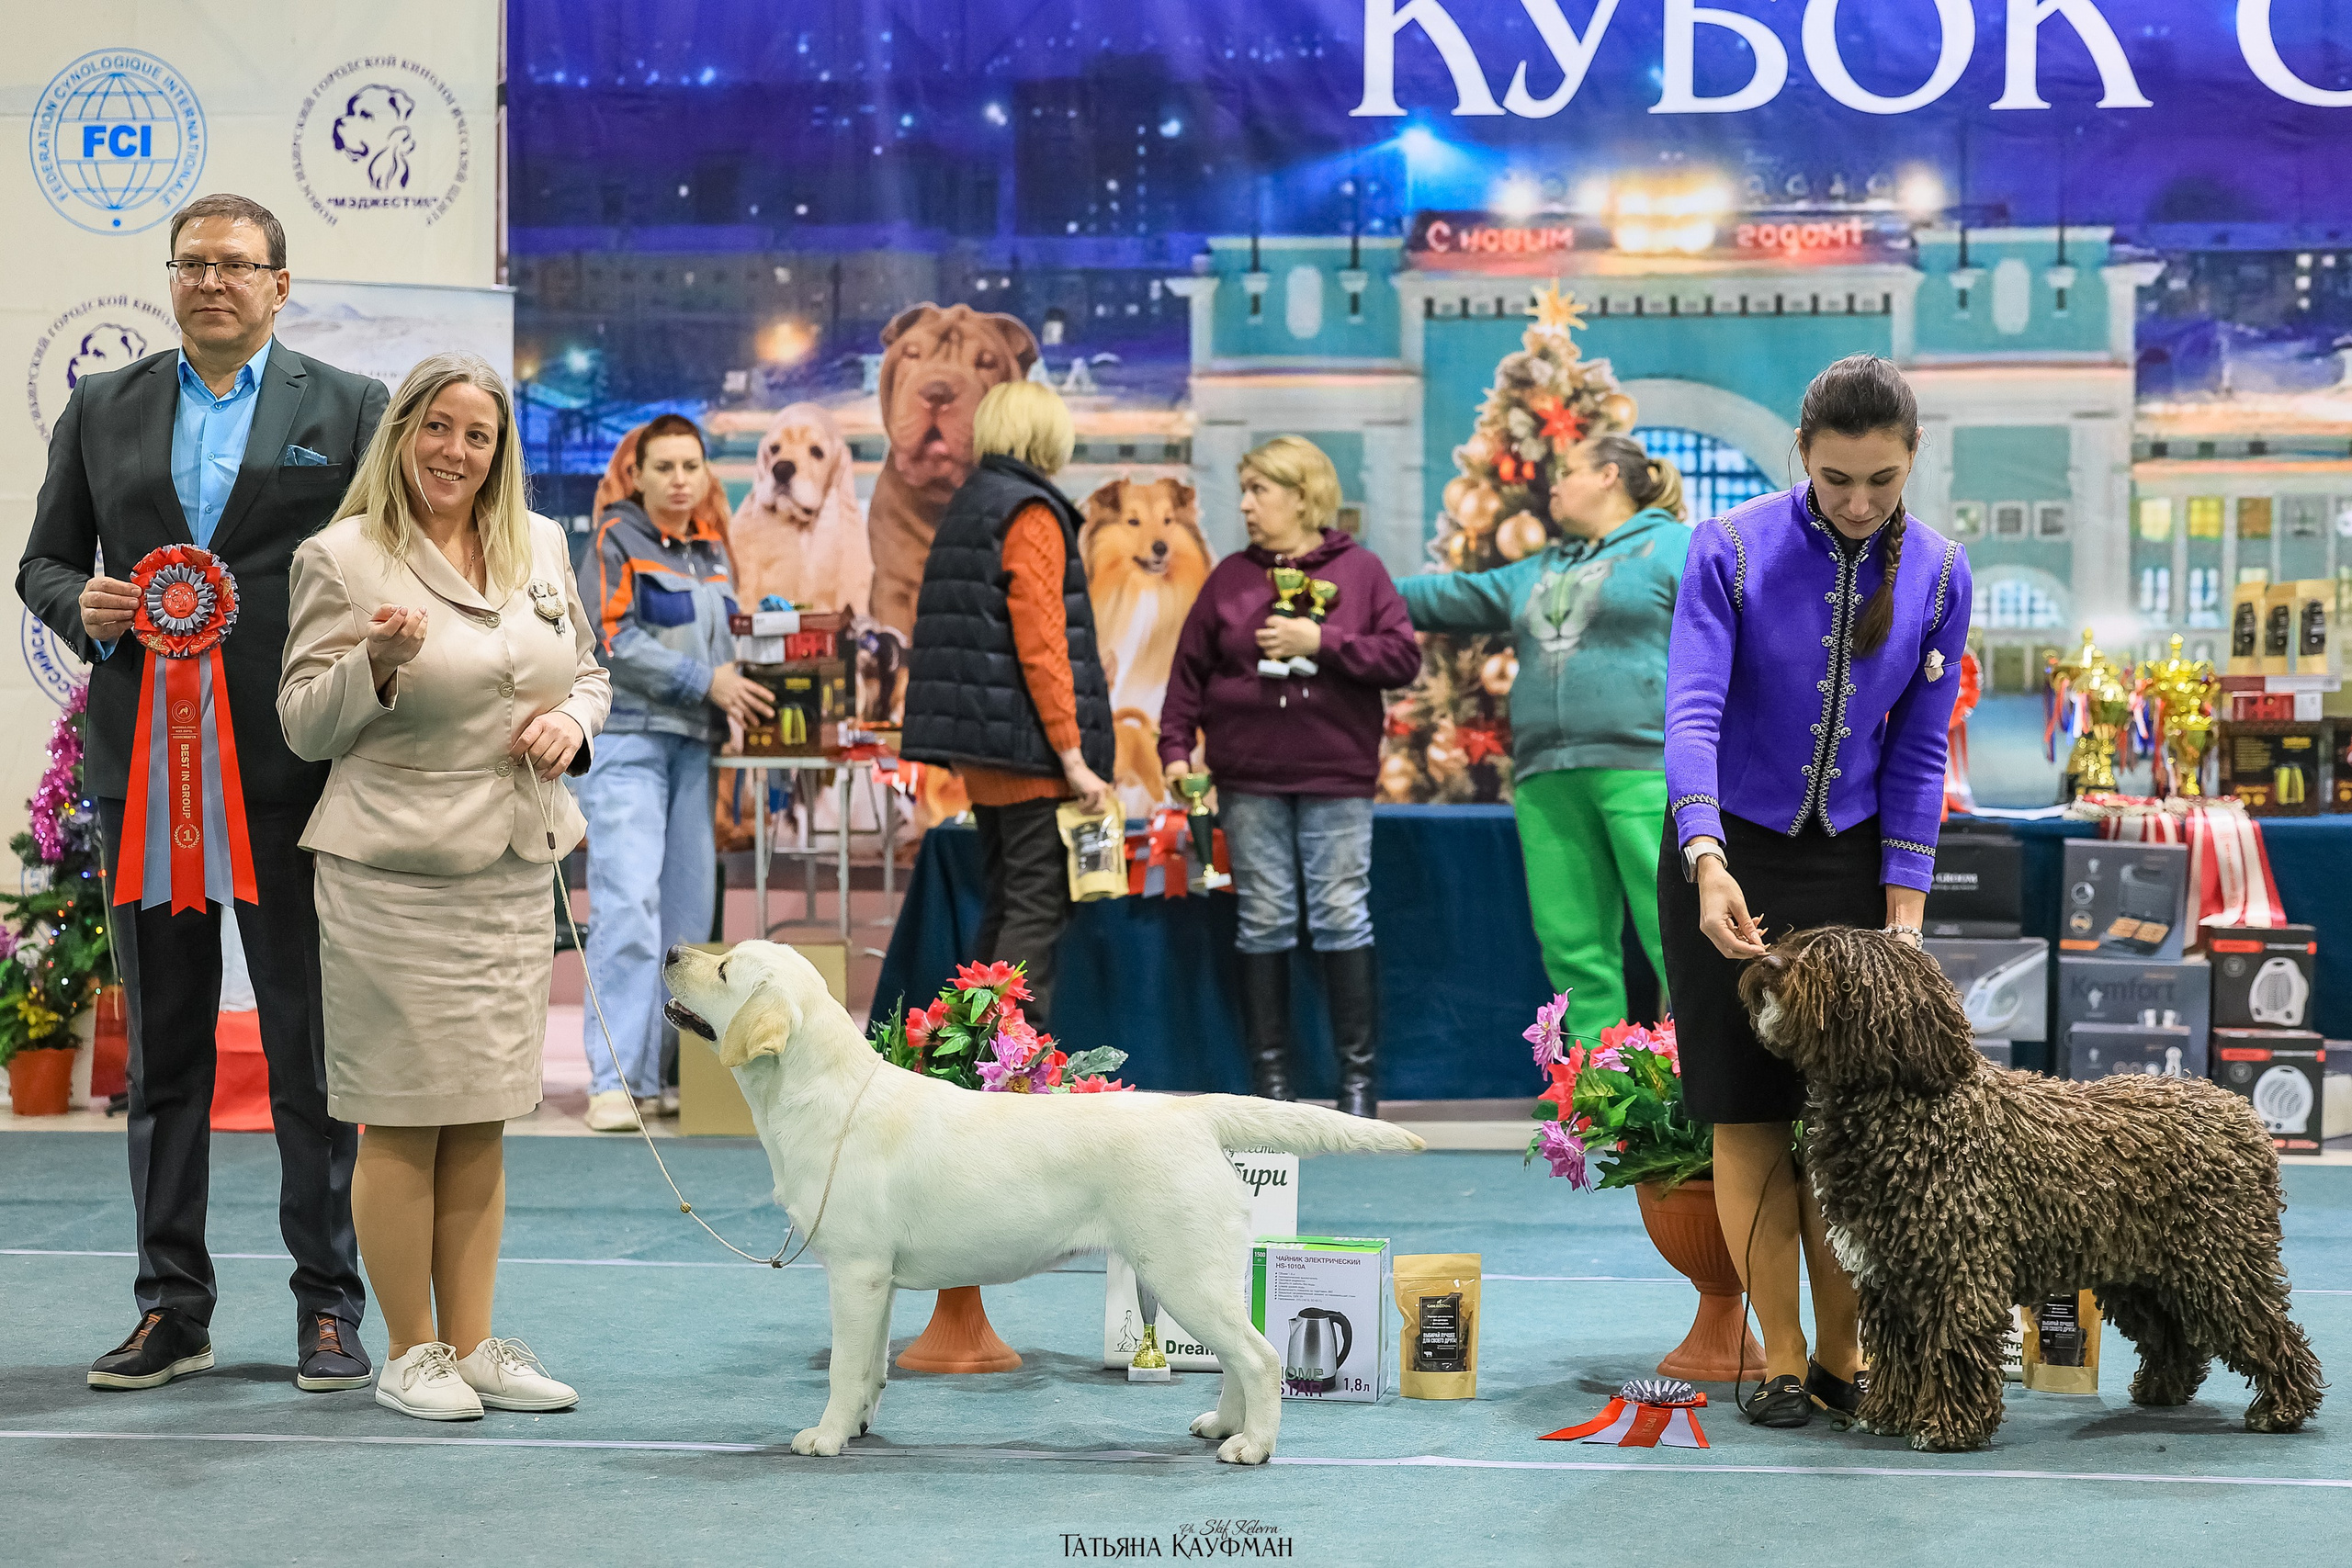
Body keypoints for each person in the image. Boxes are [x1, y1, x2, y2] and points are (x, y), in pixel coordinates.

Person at [17, 193, 388, 1394]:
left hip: (296, 771)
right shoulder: (102, 406)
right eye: (191, 263)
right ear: (169, 281)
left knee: (308, 1056)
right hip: (147, 775)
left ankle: (329, 1306)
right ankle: (172, 1305)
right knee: (164, 1054)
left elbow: (387, 556)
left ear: (282, 284)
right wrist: (82, 601)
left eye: (236, 264)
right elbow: (43, 559)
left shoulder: (350, 408)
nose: (212, 280)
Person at [278, 351, 612, 1420]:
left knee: (482, 1117)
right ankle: (410, 1353)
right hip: (394, 875)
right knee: (404, 1118)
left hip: (514, 872)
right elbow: (302, 724)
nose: (454, 451)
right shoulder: (341, 558)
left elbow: (589, 673)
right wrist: (372, 665)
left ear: (499, 452)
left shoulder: (543, 546)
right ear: (401, 434)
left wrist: (575, 723)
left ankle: (473, 1345)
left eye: (477, 435)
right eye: (436, 428)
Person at [1658, 354, 1973, 1427]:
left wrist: (1905, 913)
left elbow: (1919, 756)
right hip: (1724, 853)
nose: (1856, 502)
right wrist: (1706, 859)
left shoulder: (1939, 574)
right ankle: (1783, 1357)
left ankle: (1848, 1355)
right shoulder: (1728, 550)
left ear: (1910, 460)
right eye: (1836, 478)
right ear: (1801, 454)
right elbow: (1691, 716)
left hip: (1850, 859)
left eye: (1881, 481)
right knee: (1746, 1116)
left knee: (1847, 1124)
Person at [1159, 437, 1422, 1116]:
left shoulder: (1360, 571)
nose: (1245, 504)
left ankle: (1357, 1086)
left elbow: (1401, 658)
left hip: (1336, 774)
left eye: (1260, 490)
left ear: (1302, 496)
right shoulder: (1229, 578)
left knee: (1340, 914)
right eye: (1244, 490)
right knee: (1264, 919)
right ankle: (1270, 1085)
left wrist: (1322, 643)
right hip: (1247, 780)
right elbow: (1187, 675)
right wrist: (1175, 750)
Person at [1398, 434, 1690, 1044]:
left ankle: (1715, 1103)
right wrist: (1346, 581)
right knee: (1572, 947)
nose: (1551, 487)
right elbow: (1443, 597)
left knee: (1677, 938)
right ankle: (1592, 1098)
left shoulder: (1677, 547)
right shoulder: (1539, 568)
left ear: (1610, 475)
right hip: (1544, 778)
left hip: (1648, 768)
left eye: (1566, 473)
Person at [575, 414, 770, 1132]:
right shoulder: (612, 537)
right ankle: (614, 1079)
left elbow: (731, 646)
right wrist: (704, 680)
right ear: (639, 474)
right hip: (628, 741)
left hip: (697, 747)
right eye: (665, 467)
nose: (681, 479)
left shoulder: (713, 551)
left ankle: (669, 1075)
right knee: (627, 907)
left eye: (692, 466)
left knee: (688, 925)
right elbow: (610, 636)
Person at [900, 381, 1114, 1028]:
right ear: (1046, 435)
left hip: (988, 751)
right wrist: (1074, 758)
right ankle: (1016, 1072)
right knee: (1035, 909)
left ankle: (977, 1063)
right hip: (1031, 752)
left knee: (1004, 904)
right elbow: (1043, 643)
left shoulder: (971, 503)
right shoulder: (1031, 512)